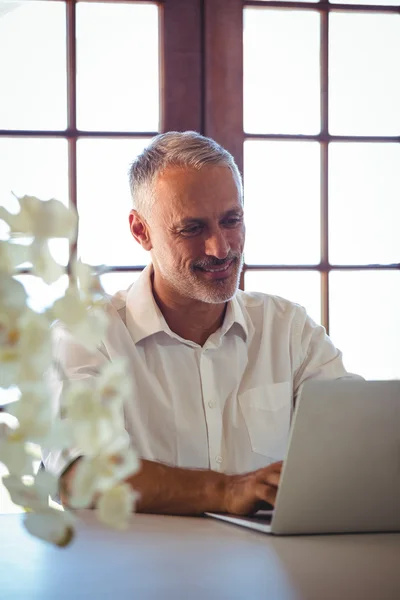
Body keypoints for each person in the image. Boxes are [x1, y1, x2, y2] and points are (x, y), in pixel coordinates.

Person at [44, 131, 356, 516]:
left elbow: (356, 446)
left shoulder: (290, 330)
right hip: (133, 574)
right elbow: (79, 475)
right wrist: (226, 492)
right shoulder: (85, 338)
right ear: (141, 231)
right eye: (192, 229)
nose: (221, 248)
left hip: (270, 571)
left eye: (231, 220)